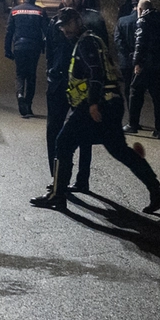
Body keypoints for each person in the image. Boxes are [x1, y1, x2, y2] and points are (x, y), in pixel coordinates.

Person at [30, 9, 160, 214]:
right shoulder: (93, 39)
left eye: (66, 24)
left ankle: (57, 195)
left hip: (98, 104)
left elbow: (95, 73)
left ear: (77, 20)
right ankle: (156, 189)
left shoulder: (86, 43)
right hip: (112, 103)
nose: (64, 29)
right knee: (119, 150)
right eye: (61, 26)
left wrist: (92, 103)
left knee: (63, 142)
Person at [45, 10, 92, 192]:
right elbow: (49, 51)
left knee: (84, 133)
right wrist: (51, 72)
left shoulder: (88, 31)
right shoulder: (55, 25)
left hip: (80, 87)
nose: (65, 29)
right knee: (54, 130)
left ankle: (82, 179)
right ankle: (57, 178)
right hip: (58, 84)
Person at [126, 0, 160, 139]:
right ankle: (159, 130)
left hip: (146, 65)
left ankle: (133, 124)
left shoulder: (142, 21)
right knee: (158, 98)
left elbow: (140, 44)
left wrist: (137, 63)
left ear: (140, 9)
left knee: (135, 91)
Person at [5, 0, 48, 118]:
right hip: (34, 48)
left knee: (19, 74)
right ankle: (28, 104)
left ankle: (19, 95)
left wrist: (7, 50)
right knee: (31, 76)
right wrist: (45, 48)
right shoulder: (40, 12)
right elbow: (46, 33)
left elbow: (9, 32)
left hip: (19, 47)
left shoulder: (15, 11)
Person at [114, 4, 139, 102]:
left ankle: (130, 106)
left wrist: (127, 53)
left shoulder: (122, 21)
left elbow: (117, 40)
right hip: (140, 61)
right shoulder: (146, 22)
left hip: (126, 61)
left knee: (128, 84)